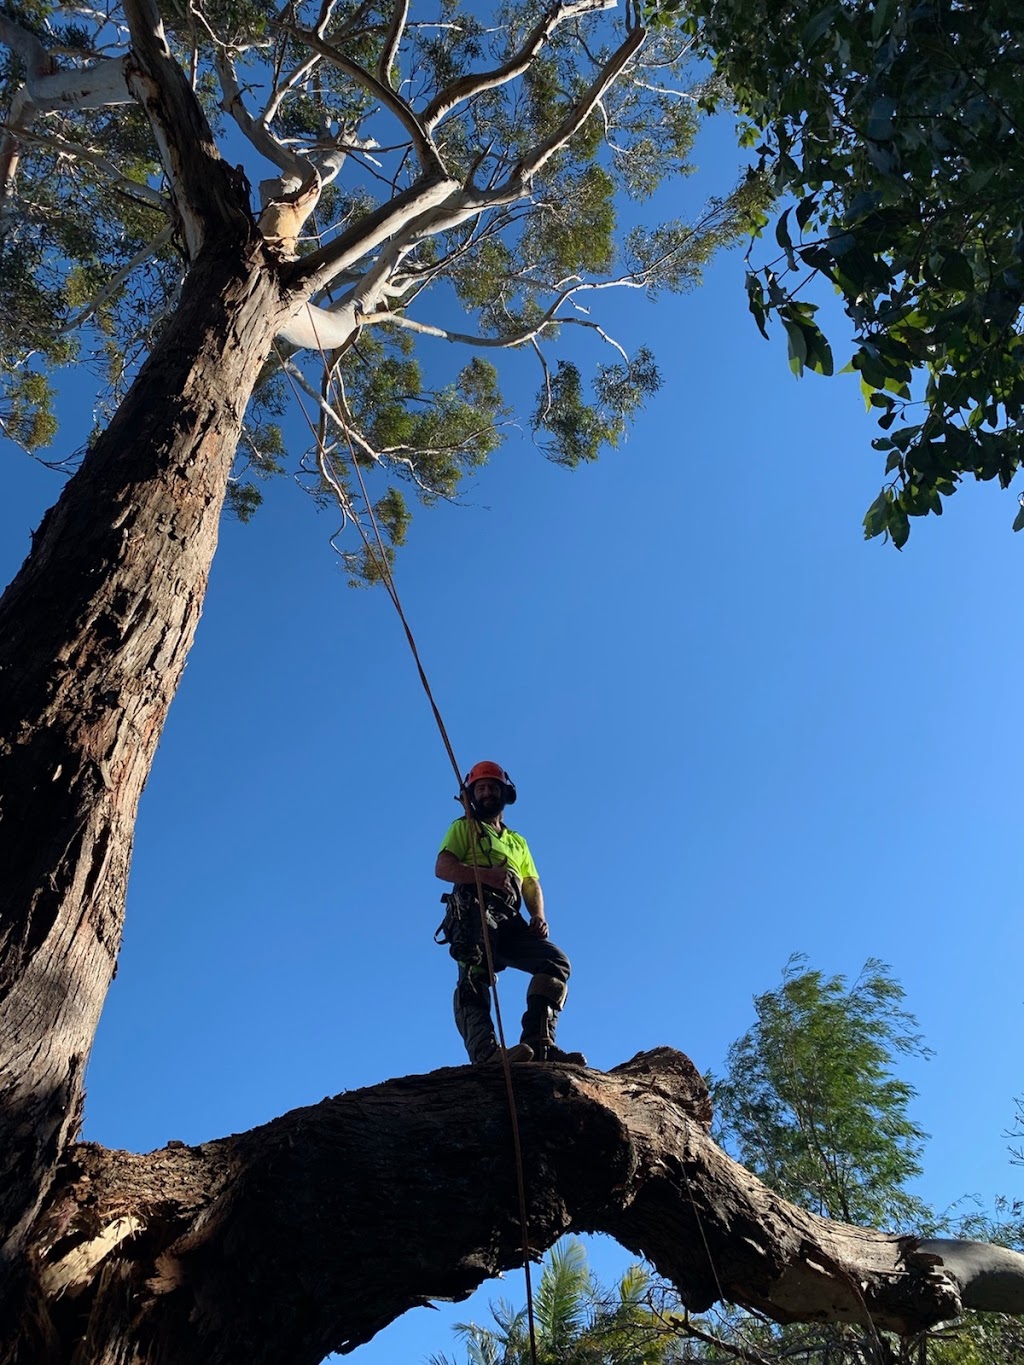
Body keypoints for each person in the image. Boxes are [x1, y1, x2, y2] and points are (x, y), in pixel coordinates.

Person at [435, 760, 586, 1066]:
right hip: (476, 913)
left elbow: (531, 882)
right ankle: (486, 1053)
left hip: (510, 919)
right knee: (474, 973)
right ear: (471, 795)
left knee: (555, 963)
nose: (487, 792)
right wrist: (484, 875)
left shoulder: (518, 841)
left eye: (493, 787)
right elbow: (443, 867)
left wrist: (538, 916)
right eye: (481, 788)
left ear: (505, 793)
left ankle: (539, 1045)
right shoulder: (464, 827)